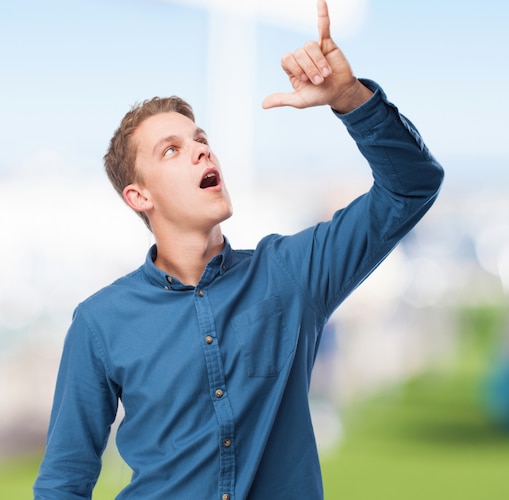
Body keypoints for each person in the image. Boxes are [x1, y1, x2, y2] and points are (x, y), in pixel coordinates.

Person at [33, 0, 444, 498]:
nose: (202, 150)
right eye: (172, 150)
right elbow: (64, 479)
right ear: (139, 197)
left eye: (200, 139)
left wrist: (350, 98)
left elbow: (412, 188)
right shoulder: (100, 322)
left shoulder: (291, 275)